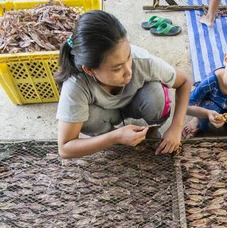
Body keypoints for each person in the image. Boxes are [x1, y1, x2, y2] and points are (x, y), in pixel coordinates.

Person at [55, 10, 192, 158]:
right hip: (104, 116)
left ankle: (151, 132)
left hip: (135, 102)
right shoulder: (76, 84)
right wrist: (114, 137)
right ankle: (111, 141)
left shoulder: (141, 60)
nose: (129, 71)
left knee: (155, 92)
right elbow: (65, 148)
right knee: (87, 118)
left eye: (128, 57)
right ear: (89, 70)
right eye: (117, 68)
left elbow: (184, 81)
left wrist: (176, 127)